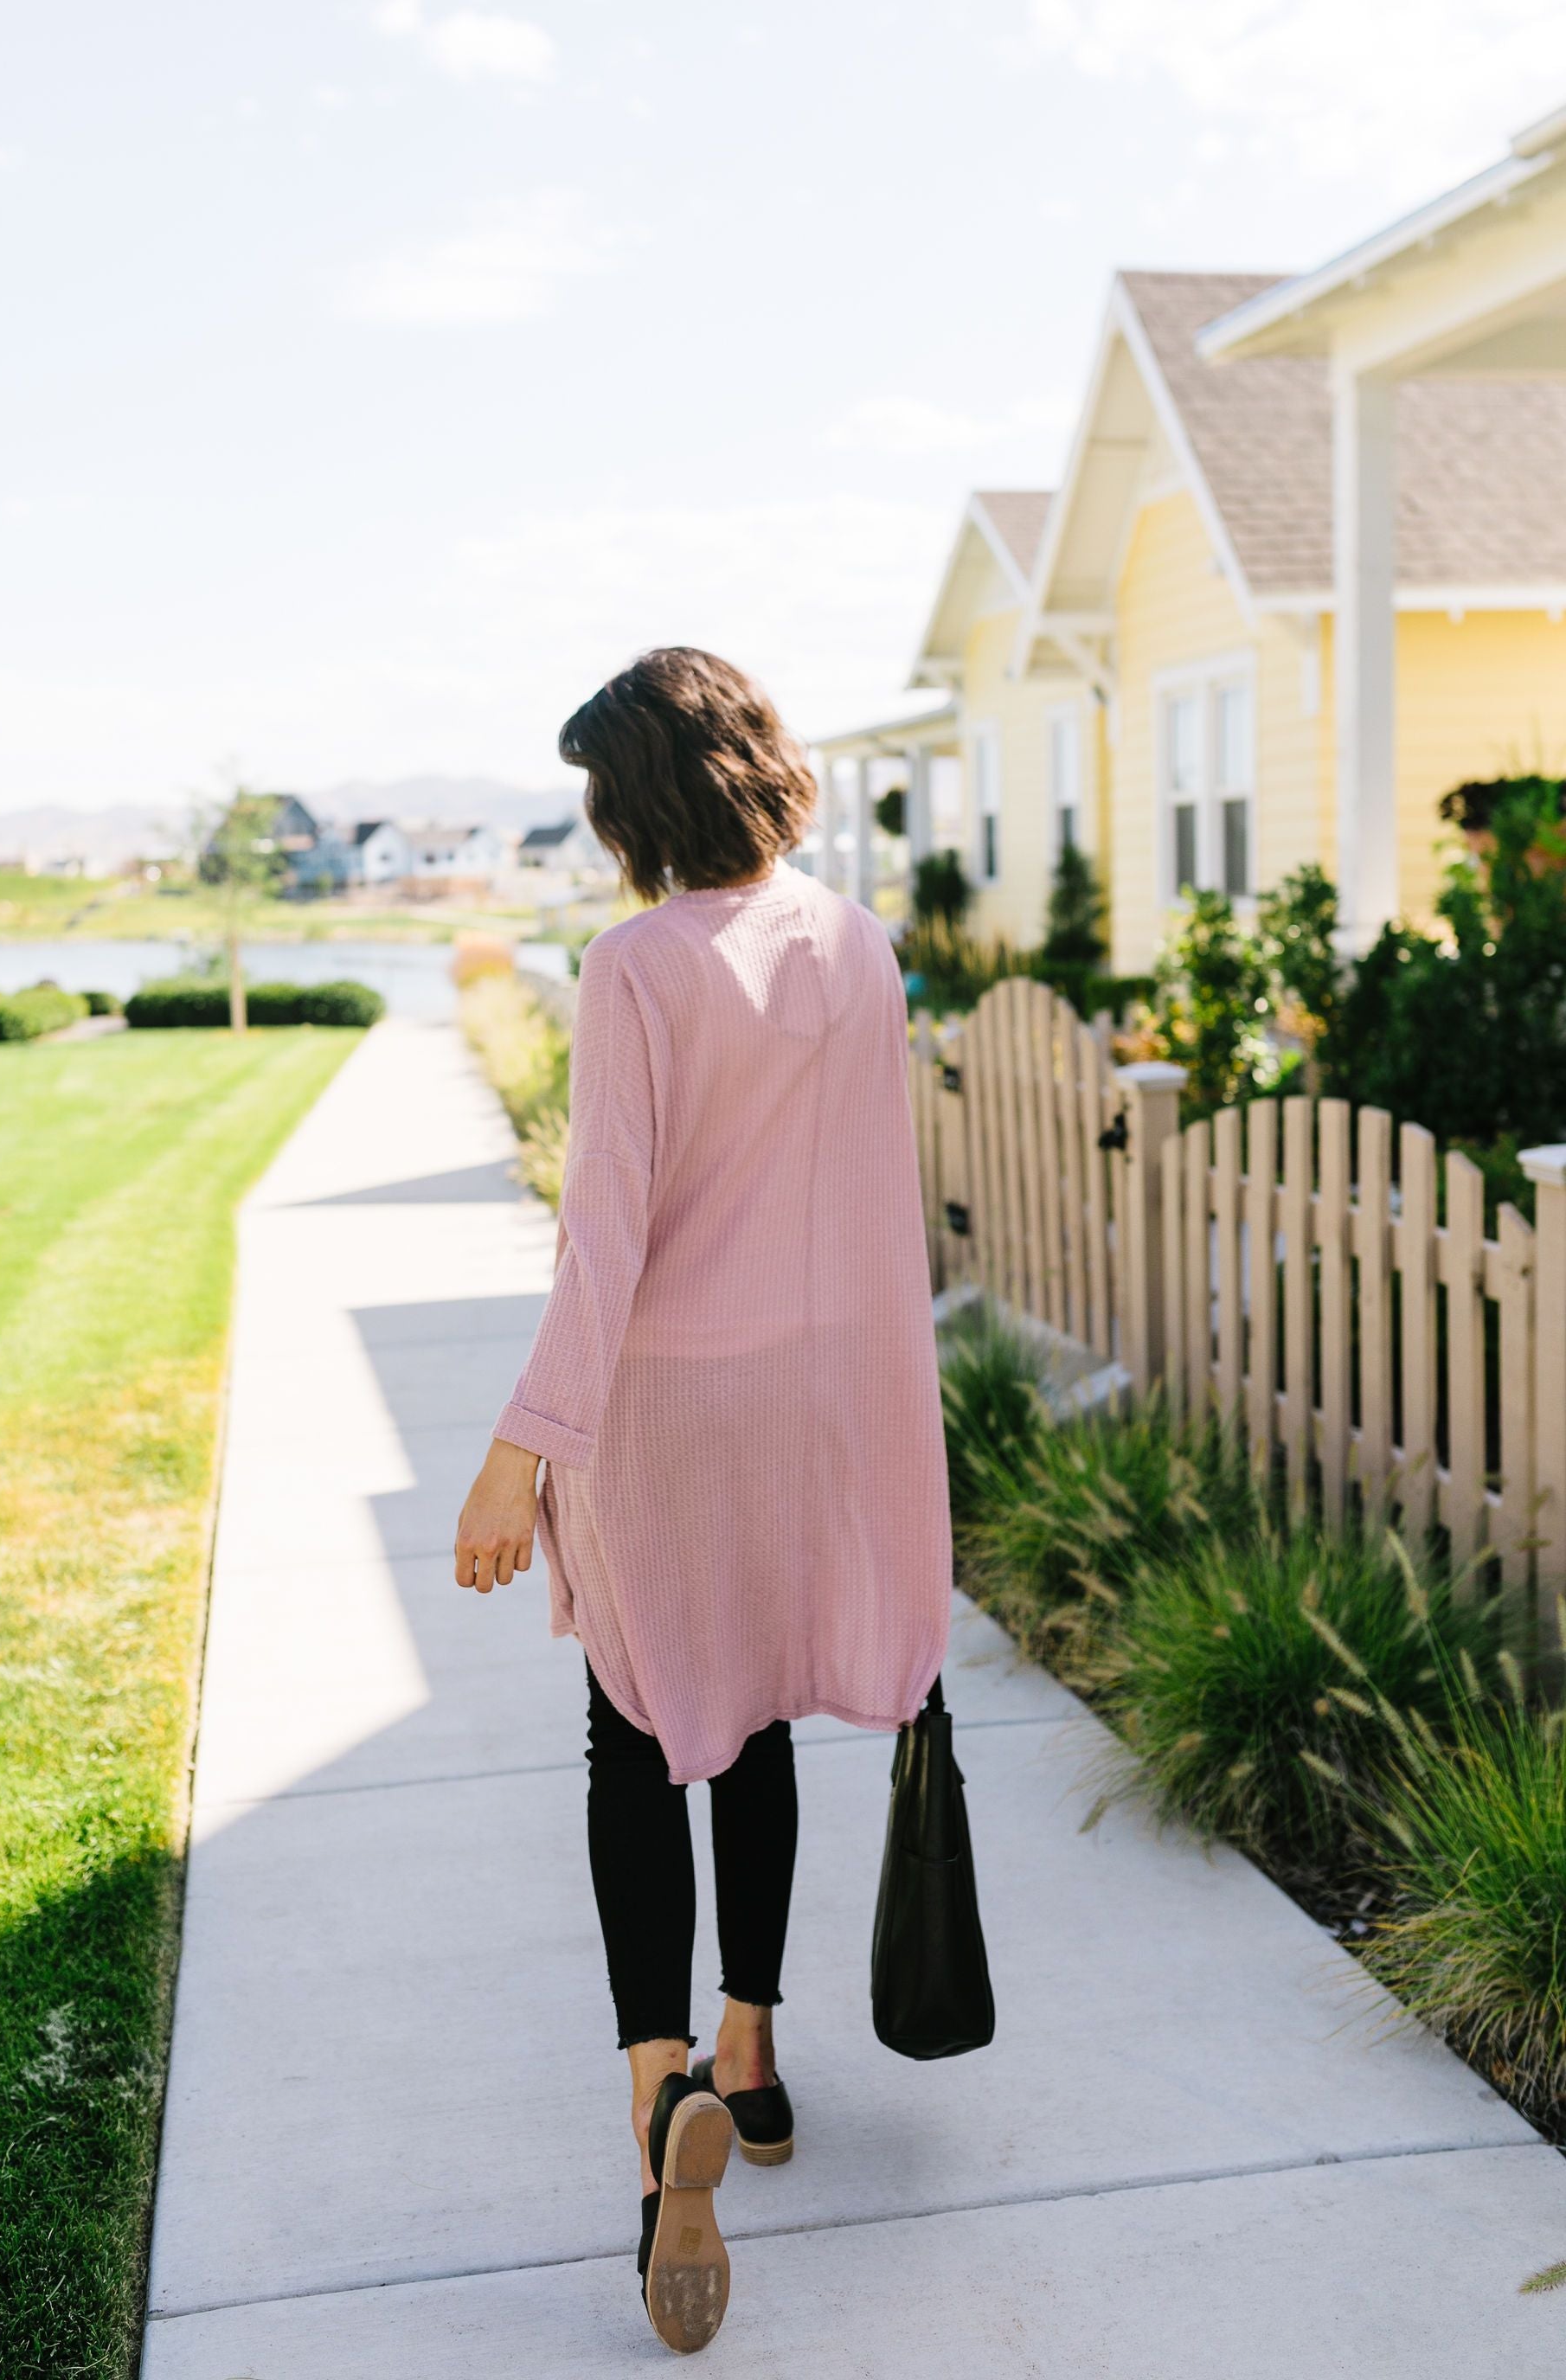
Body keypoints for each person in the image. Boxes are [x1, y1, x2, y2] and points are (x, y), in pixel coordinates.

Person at [455, 646, 949, 2354]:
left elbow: (605, 1233)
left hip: (660, 1400)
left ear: (641, 803)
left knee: (635, 1729)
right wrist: (896, 1443)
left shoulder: (634, 968)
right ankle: (749, 2053)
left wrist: (524, 1443)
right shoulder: (857, 947)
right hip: (811, 1392)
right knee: (751, 1723)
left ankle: (659, 2090)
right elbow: (881, 1220)